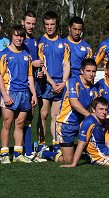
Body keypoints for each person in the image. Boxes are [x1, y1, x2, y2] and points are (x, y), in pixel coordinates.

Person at [0, 25, 37, 164]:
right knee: (7, 124)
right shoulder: (4, 54)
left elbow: (30, 77)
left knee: (20, 124)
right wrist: (4, 95)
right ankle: (4, 154)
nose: (19, 38)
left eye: (21, 36)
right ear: (11, 36)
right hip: (10, 93)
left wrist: (33, 94)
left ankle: (17, 153)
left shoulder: (26, 55)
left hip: (24, 94)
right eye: (16, 35)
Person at [37, 11, 70, 151]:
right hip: (46, 84)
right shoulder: (41, 42)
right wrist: (52, 83)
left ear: (56, 25)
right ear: (44, 25)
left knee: (55, 116)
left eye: (52, 24)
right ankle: (41, 145)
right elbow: (41, 66)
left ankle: (56, 144)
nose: (49, 27)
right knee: (43, 115)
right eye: (47, 24)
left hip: (59, 84)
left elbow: (67, 64)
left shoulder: (64, 44)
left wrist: (63, 82)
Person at [54, 58, 96, 163]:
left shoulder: (93, 88)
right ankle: (46, 153)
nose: (91, 74)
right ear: (82, 71)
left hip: (80, 123)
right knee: (69, 160)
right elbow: (74, 103)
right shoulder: (73, 81)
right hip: (65, 124)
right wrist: (91, 116)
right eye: (88, 71)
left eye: (93, 71)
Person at [21, 11, 46, 161]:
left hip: (33, 83)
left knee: (30, 115)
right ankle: (25, 150)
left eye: (33, 23)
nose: (30, 26)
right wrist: (33, 63)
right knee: (19, 118)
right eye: (28, 23)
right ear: (22, 22)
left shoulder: (35, 40)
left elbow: (33, 66)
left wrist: (39, 73)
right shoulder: (19, 40)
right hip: (21, 85)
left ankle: (28, 149)